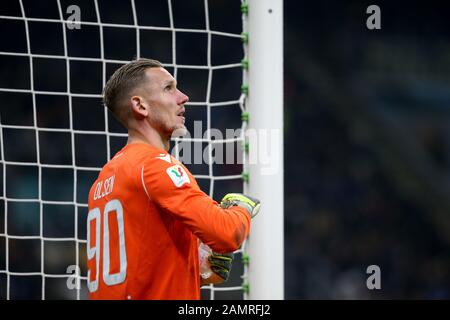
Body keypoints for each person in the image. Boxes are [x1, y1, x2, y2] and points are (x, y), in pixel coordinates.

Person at [87, 58, 260, 300]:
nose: (183, 96)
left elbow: (139, 266)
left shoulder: (104, 179)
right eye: (169, 88)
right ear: (140, 106)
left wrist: (198, 268)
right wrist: (240, 208)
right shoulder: (155, 166)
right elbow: (227, 233)